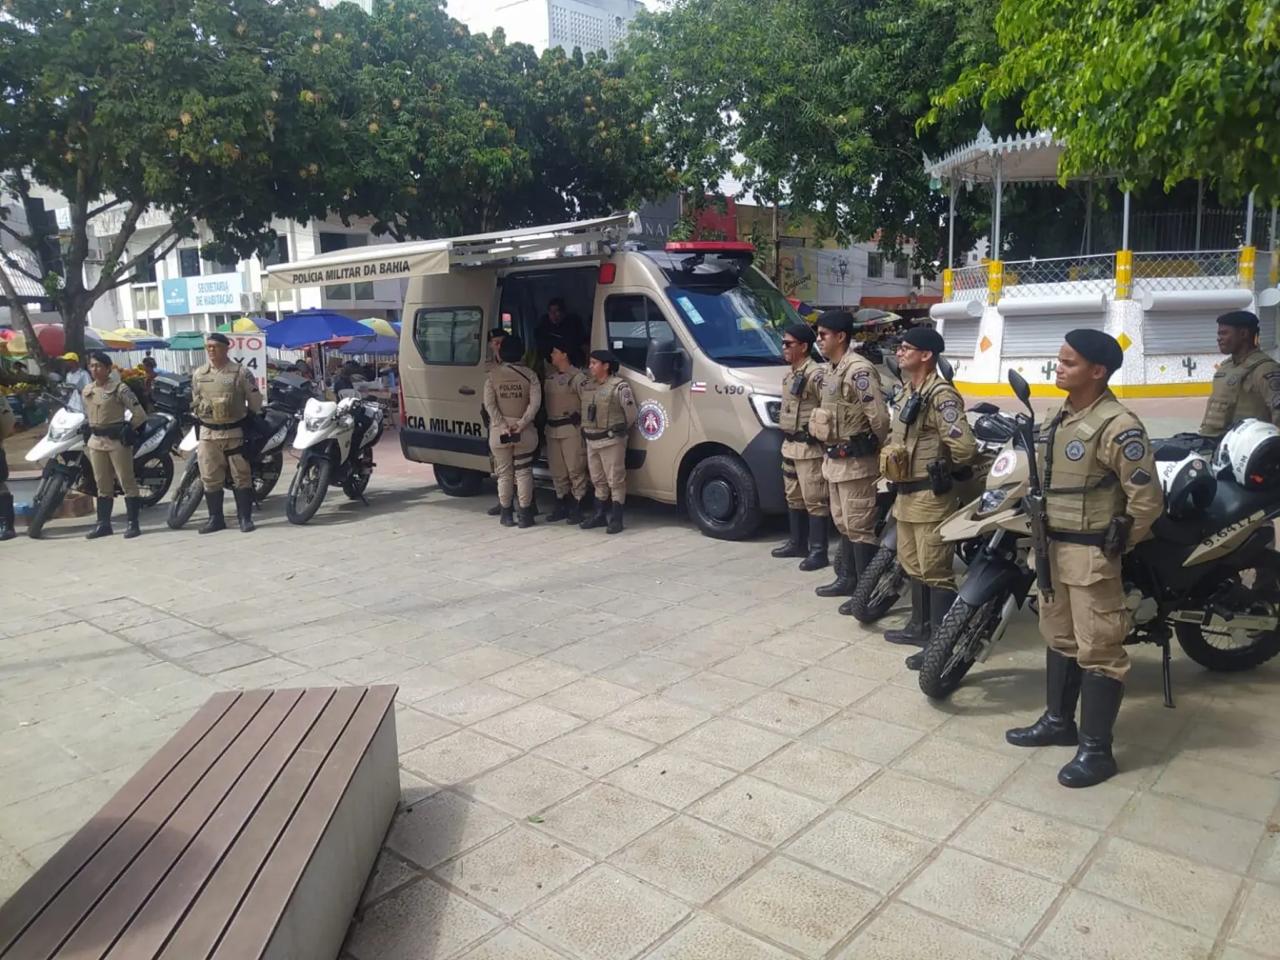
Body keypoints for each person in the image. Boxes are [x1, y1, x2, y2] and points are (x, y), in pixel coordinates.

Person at [1006, 329, 1163, 786]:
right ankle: (1059, 723)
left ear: (1098, 371)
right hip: (1052, 549)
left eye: (1069, 362)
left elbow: (1147, 501)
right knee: (1059, 638)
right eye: (1059, 359)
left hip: (1091, 556)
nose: (1059, 367)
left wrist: (1118, 544)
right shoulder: (1061, 415)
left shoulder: (1118, 425)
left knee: (1100, 650)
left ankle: (1097, 751)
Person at [880, 327, 977, 665]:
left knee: (935, 569)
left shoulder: (941, 396)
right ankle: (919, 626)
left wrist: (947, 469)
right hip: (905, 495)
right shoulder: (908, 391)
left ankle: (940, 642)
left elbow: (964, 447)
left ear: (927, 355)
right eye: (900, 347)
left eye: (907, 348)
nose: (900, 352)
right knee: (911, 563)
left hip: (930, 496)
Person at [808, 310, 892, 608]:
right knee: (843, 523)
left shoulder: (859, 370)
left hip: (856, 463)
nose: (818, 340)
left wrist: (878, 448)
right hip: (835, 462)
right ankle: (847, 578)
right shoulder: (832, 368)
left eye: (823, 335)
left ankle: (863, 589)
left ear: (841, 336)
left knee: (859, 526)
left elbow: (879, 418)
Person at [772, 323, 831, 569]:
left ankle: (818, 551)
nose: (784, 347)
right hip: (791, 446)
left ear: (804, 347)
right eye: (783, 343)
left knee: (814, 499)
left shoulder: (816, 375)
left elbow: (829, 407)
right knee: (794, 496)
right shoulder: (791, 374)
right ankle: (797, 543)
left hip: (810, 448)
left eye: (789, 344)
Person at [191, 331, 263, 534]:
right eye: (208, 347)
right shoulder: (199, 374)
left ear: (226, 348)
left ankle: (244, 518)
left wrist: (249, 418)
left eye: (215, 346)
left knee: (241, 475)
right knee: (209, 476)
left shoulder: (240, 372)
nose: (211, 350)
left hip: (234, 433)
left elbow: (255, 401)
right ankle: (215, 518)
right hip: (208, 434)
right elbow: (195, 399)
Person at [81, 351, 148, 540]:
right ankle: (103, 524)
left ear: (108, 368)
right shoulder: (87, 390)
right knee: (102, 483)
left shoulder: (119, 388)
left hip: (116, 440)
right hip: (96, 441)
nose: (95, 369)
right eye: (92, 366)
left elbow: (139, 414)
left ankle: (132, 523)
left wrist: (129, 430)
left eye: (99, 366)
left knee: (126, 481)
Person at [483, 334, 542, 527]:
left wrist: (502, 425)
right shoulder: (530, 375)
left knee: (504, 473)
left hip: (500, 433)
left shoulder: (492, 376)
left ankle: (506, 514)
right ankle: (525, 515)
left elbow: (489, 404)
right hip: (523, 432)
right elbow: (535, 404)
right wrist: (521, 423)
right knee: (523, 472)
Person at [579, 349, 637, 534]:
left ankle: (617, 519)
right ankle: (599, 515)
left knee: (615, 480)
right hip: (592, 441)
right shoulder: (588, 385)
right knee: (597, 480)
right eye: (590, 363)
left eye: (594, 363)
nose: (590, 366)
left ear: (606, 365)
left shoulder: (620, 387)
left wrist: (620, 430)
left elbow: (631, 414)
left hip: (611, 441)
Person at [1199, 309, 1280, 438]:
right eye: (1219, 334)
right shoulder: (1226, 367)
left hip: (1248, 447)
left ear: (1243, 334)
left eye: (1224, 333)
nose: (1219, 338)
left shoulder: (1266, 369)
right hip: (1216, 443)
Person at [543, 338, 591, 523]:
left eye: (555, 352)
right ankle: (561, 501)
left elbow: (588, 403)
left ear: (565, 354)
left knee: (575, 469)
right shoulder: (551, 378)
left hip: (571, 428)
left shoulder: (579, 378)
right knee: (557, 470)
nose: (552, 355)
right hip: (552, 429)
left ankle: (578, 504)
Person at [484, 328, 509, 517]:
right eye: (495, 342)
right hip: (494, 419)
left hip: (512, 419)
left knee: (518, 466)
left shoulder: (515, 364)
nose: (498, 346)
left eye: (501, 342)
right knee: (498, 465)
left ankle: (527, 502)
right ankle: (503, 501)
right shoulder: (488, 366)